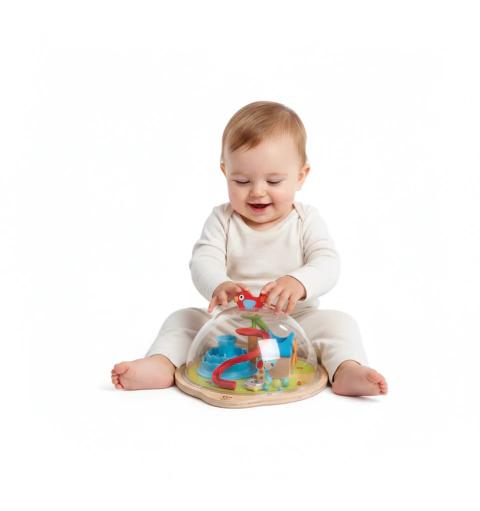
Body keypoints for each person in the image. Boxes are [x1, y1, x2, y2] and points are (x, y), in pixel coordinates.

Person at [111, 101, 388, 397]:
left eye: (274, 180)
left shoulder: (306, 219)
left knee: (340, 324)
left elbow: (327, 262)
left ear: (300, 176)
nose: (257, 191)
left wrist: (298, 282)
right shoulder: (222, 219)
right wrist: (219, 284)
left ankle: (346, 369)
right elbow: (204, 259)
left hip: (295, 323)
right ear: (225, 172)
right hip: (230, 322)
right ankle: (160, 364)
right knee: (181, 320)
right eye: (241, 181)